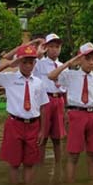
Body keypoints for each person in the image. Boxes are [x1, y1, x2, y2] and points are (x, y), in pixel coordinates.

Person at [0, 44, 50, 184]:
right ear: (19, 62)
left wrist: (42, 130)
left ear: (35, 63)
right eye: (24, 62)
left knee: (30, 162)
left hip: (33, 124)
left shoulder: (39, 83)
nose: (27, 65)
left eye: (31, 62)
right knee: (14, 163)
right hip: (14, 124)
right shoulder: (9, 78)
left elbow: (43, 107)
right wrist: (9, 64)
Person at [48, 42, 93, 182]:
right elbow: (52, 76)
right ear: (80, 59)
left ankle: (92, 184)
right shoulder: (70, 75)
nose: (91, 62)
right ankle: (70, 184)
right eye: (87, 58)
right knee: (73, 154)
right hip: (76, 114)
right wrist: (70, 62)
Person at [33, 33, 67, 163]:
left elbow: (66, 88)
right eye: (51, 46)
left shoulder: (63, 65)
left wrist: (66, 109)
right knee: (42, 135)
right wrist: (38, 53)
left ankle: (58, 165)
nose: (54, 49)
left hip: (59, 100)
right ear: (46, 47)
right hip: (44, 100)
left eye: (57, 46)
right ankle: (39, 164)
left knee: (58, 137)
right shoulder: (39, 63)